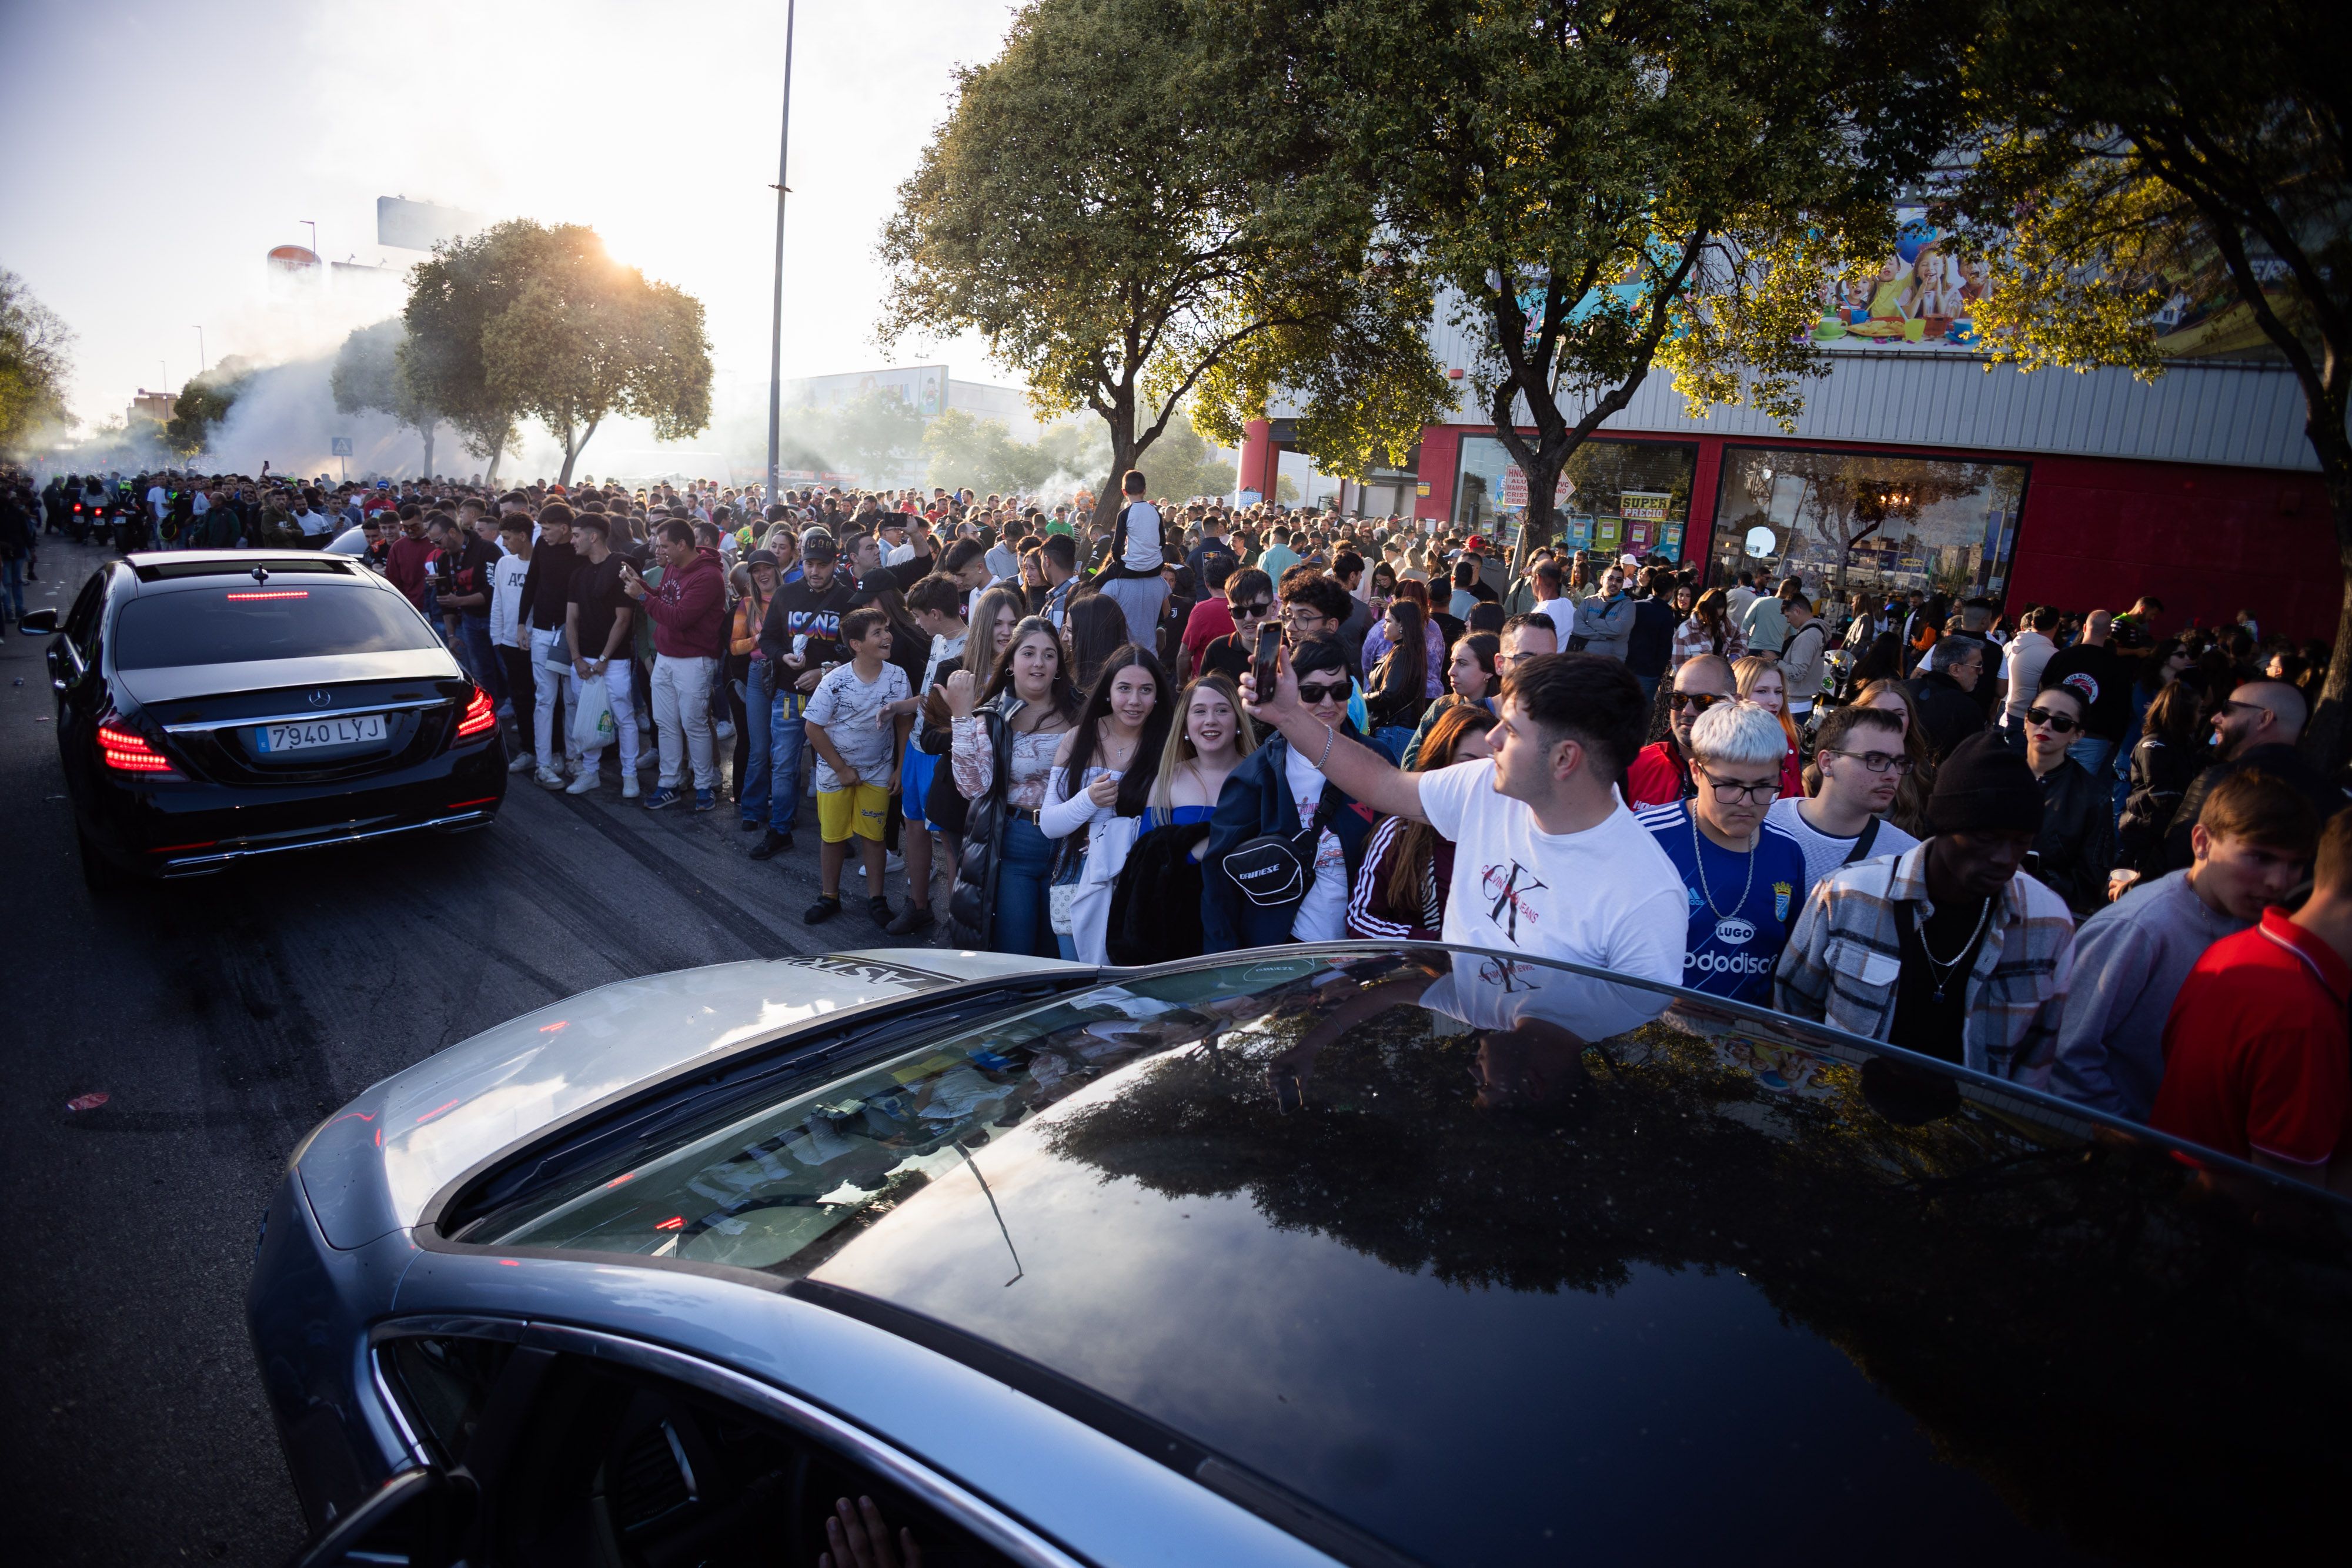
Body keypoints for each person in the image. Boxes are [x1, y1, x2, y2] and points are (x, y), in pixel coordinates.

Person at [1244, 647, 1687, 1031]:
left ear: (1564, 758)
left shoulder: (1646, 898)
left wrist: (1518, 1070)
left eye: (1512, 730)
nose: (1492, 738)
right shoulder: (1483, 784)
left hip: (1540, 1086)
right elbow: (1383, 784)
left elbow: (1623, 1035)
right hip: (1455, 1045)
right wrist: (1289, 716)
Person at [1775, 731, 2077, 1079]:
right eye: (1985, 839)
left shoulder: (2047, 922)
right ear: (1945, 826)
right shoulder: (1849, 894)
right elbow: (1793, 1011)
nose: (2004, 858)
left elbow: (2040, 1055)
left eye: (2020, 843)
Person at [2052, 770, 2319, 1122]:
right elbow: (2068, 1053)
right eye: (2260, 857)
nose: (2278, 882)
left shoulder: (2257, 924)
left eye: (2295, 865)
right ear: (2202, 842)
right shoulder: (2138, 928)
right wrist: (2129, 1135)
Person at [2150, 807, 2352, 1191]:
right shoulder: (2305, 1021)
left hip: (2165, 1196)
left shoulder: (2236, 947)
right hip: (2223, 1222)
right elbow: (2289, 1200)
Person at [1202, 635, 1382, 951]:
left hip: (1363, 948)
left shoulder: (1377, 760)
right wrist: (1224, 964)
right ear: (1290, 693)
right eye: (1312, 692)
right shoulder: (1258, 774)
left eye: (1340, 691)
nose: (1328, 703)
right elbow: (1218, 877)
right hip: (1281, 950)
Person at [1636, 701, 1809, 1004]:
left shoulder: (1788, 852)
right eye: (1729, 784)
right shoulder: (1646, 838)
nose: (1746, 802)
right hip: (1651, 1024)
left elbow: (1790, 959)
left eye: (1764, 786)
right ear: (1696, 772)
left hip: (1749, 1029)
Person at [946, 616, 1080, 954]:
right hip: (1016, 844)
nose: (1039, 663)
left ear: (1059, 665)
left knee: (1060, 954)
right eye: (1029, 653)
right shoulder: (993, 717)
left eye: (1049, 655)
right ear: (1010, 662)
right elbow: (972, 787)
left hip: (1072, 847)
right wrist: (961, 717)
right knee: (1016, 951)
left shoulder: (1081, 711)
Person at [1040, 646, 1174, 962]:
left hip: (1138, 879)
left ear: (1158, 695)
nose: (1134, 700)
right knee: (1077, 979)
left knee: (1125, 980)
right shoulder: (1078, 738)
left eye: (1146, 690)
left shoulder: (1170, 746)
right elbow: (1049, 824)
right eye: (1124, 688)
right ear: (1108, 691)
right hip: (1076, 872)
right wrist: (1088, 799)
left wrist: (1112, 834)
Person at [2156, 679, 2344, 874]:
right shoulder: (2334, 799)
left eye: (2228, 709)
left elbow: (2170, 862)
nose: (2215, 718)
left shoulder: (2223, 781)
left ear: (2264, 719)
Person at [800, 607, 913, 925]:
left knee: (874, 837)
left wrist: (900, 768)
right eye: (877, 632)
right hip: (835, 774)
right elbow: (812, 728)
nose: (887, 637)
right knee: (833, 837)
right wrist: (841, 769)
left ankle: (877, 900)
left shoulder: (898, 677)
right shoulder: (834, 682)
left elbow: (904, 723)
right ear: (856, 644)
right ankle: (829, 897)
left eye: (886, 630)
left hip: (878, 771)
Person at [1346, 704, 1497, 942]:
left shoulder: (1510, 834)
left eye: (1490, 766)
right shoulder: (1399, 832)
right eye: (1467, 764)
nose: (1477, 776)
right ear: (1441, 763)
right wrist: (1438, 947)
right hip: (1417, 964)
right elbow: (1360, 920)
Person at [750, 530, 854, 860]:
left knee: (832, 765)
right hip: (788, 693)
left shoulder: (848, 599)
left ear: (834, 564)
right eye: (809, 564)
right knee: (783, 765)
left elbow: (858, 650)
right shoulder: (785, 594)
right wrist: (783, 657)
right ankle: (780, 830)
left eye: (822, 565)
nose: (814, 571)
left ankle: (836, 834)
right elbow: (767, 640)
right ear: (802, 561)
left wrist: (824, 672)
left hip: (833, 697)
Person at [622, 519, 727, 812]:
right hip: (667, 657)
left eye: (665, 545)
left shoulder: (708, 576)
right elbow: (663, 598)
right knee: (666, 724)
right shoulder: (674, 565)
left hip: (695, 660)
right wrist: (641, 584)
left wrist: (642, 595)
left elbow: (679, 618)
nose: (660, 551)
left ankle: (704, 785)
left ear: (682, 545)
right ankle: (669, 783)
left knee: (694, 724)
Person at [1766, 704, 1922, 899]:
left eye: (1899, 763)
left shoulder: (1907, 857)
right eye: (1875, 760)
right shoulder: (1764, 823)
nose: (1892, 775)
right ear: (1827, 762)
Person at [2007, 681, 2114, 917]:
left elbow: (2089, 884)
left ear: (2077, 735)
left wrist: (2032, 880)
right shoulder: (1994, 774)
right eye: (2038, 715)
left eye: (2061, 723)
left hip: (2041, 914)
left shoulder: (2093, 797)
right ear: (2025, 721)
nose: (2046, 726)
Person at [562, 513, 642, 798]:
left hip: (615, 661)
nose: (572, 541)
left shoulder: (623, 567)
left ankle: (630, 775)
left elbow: (624, 619)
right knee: (588, 716)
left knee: (624, 717)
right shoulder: (578, 574)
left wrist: (604, 659)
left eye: (576, 535)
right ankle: (590, 772)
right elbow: (571, 620)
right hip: (583, 661)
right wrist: (577, 659)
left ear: (593, 536)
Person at [2113, 679, 2208, 882]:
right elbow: (2160, 794)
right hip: (2144, 829)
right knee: (2135, 884)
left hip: (2162, 829)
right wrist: (2196, 808)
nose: (2202, 716)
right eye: (2199, 710)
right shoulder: (2154, 745)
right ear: (2183, 713)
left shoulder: (2182, 742)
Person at [520, 503, 580, 789]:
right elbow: (531, 582)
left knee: (571, 698)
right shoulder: (542, 547)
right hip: (543, 631)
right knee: (545, 699)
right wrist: (522, 624)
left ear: (564, 528)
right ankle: (543, 765)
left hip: (572, 634)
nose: (542, 534)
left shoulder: (579, 550)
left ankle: (573, 758)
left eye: (546, 528)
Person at [1626, 653, 1735, 807]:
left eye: (1704, 701)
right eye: (1679, 699)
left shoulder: (1758, 773)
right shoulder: (1634, 766)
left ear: (1734, 702)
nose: (1687, 711)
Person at [2036, 609, 2131, 776]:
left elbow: (2043, 693)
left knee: (2047, 780)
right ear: (2109, 633)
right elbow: (2122, 706)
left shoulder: (2062, 657)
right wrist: (2114, 738)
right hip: (2094, 738)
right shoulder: (2118, 667)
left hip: (2058, 729)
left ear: (2085, 628)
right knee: (2080, 786)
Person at [729, 550, 782, 830]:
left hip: (787, 674)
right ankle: (752, 810)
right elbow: (734, 647)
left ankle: (784, 812)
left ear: (776, 570)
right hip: (758, 673)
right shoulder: (747, 605)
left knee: (784, 750)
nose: (762, 574)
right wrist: (759, 639)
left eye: (767, 568)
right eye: (756, 570)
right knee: (759, 748)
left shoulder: (790, 598)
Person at [1094, 469, 1170, 646]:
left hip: (1132, 570)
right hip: (1155, 568)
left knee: (1094, 584)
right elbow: (1163, 542)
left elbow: (1117, 547)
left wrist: (1119, 561)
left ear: (1124, 492)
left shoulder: (1125, 514)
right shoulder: (1156, 513)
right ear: (1145, 490)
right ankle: (1159, 624)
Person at [487, 513, 537, 776]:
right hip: (509, 643)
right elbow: (498, 600)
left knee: (545, 700)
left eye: (507, 538)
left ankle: (552, 750)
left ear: (523, 536)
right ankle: (528, 750)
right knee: (520, 699)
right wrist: (497, 638)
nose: (503, 543)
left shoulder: (541, 565)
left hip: (538, 642)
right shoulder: (504, 563)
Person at [1730, 656, 1804, 802]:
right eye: (1762, 691)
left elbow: (1796, 800)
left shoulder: (1787, 741)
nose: (1774, 701)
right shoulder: (1717, 742)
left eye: (1778, 692)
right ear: (1739, 694)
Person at [1904, 634, 1986, 762]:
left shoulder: (1902, 689)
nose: (1981, 672)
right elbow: (1973, 761)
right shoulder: (1967, 708)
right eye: (1978, 666)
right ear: (1955, 669)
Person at [1194, 567, 1274, 684]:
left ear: (1274, 607)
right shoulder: (1216, 651)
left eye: (1257, 609)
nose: (1248, 618)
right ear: (1230, 612)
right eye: (1239, 612)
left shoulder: (1289, 649)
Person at [1994, 606, 2061, 740]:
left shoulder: (2015, 644)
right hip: (2027, 720)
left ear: (2032, 622)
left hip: (2007, 712)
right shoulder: (2051, 655)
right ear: (2057, 626)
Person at [1671, 586, 1745, 670]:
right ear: (1703, 610)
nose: (1716, 620)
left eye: (1719, 617)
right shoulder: (1686, 631)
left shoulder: (1724, 623)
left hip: (1719, 676)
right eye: (1713, 617)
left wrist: (1734, 656)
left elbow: (1742, 635)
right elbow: (1679, 665)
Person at [1576, 564, 1635, 660]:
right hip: (1583, 660)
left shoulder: (1628, 605)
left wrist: (1591, 622)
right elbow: (1575, 626)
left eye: (1619, 580)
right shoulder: (1589, 601)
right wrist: (1601, 635)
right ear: (1602, 580)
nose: (1614, 583)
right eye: (1610, 578)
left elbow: (1619, 630)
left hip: (1610, 664)